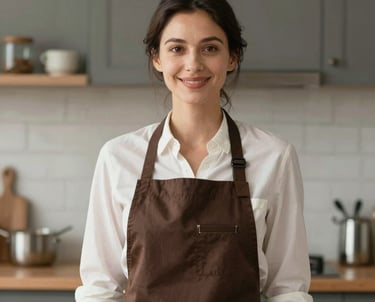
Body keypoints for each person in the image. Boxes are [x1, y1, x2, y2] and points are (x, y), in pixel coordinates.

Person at [75, 0, 313, 301]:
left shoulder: (274, 157)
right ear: (156, 58)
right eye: (177, 48)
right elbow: (100, 288)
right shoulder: (118, 157)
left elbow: (288, 290)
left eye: (210, 48)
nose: (193, 64)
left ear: (232, 57)